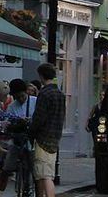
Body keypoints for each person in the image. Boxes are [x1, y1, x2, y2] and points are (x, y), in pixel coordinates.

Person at [28, 63, 65, 197]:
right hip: (55, 138)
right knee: (48, 173)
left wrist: (31, 132)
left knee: (44, 175)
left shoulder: (44, 93)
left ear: (42, 76)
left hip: (43, 138)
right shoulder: (60, 94)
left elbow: (39, 118)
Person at [0, 78, 37, 192]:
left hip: (31, 141)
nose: (21, 99)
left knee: (35, 170)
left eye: (22, 96)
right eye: (17, 97)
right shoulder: (12, 107)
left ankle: (33, 191)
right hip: (17, 141)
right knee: (7, 168)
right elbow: (8, 125)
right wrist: (18, 123)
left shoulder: (35, 101)